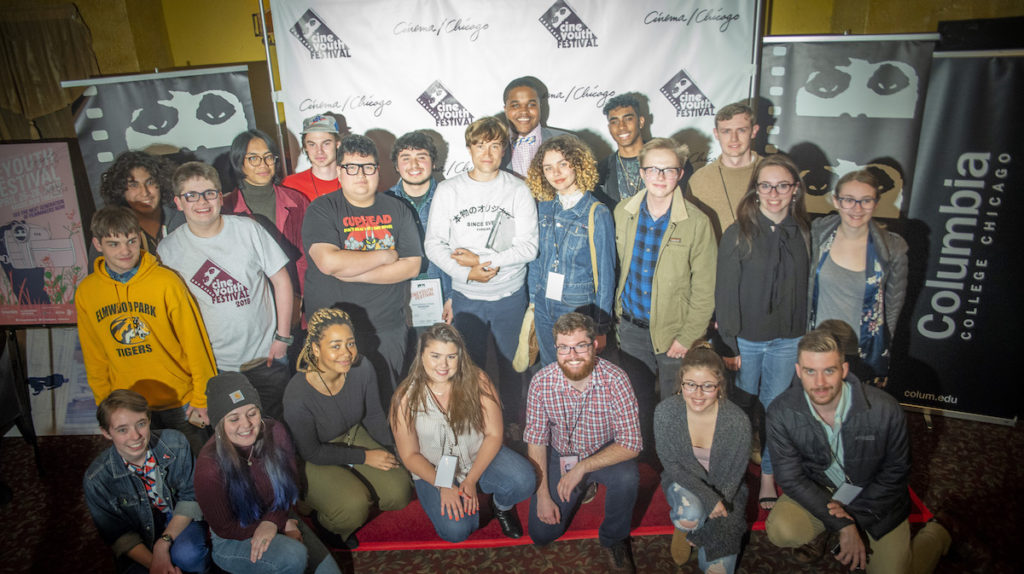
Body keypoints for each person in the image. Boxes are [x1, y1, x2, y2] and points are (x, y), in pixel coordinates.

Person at [765, 330, 951, 574]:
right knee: (781, 529)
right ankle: (829, 528)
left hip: (876, 501)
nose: (819, 383)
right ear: (799, 372)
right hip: (822, 490)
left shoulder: (884, 409)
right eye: (810, 371)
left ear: (843, 370)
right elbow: (790, 477)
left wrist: (852, 521)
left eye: (828, 370)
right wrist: (843, 524)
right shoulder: (781, 411)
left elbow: (895, 473)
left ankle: (938, 534)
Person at [424, 116, 538, 428]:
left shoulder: (518, 190)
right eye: (479, 145)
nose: (487, 153)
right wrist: (465, 274)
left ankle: (514, 426)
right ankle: (473, 426)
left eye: (495, 145)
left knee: (514, 369)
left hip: (509, 297)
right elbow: (433, 244)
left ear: (505, 150)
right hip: (467, 298)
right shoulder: (449, 190)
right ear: (470, 148)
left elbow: (529, 248)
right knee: (467, 370)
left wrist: (481, 260)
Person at [158, 161, 294, 421]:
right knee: (229, 436)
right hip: (214, 365)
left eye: (209, 193)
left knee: (275, 427)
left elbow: (281, 280)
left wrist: (283, 338)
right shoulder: (169, 249)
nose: (202, 202)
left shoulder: (249, 229)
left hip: (265, 357)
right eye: (191, 196)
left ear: (220, 197)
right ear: (178, 202)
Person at [76, 206, 216, 454]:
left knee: (202, 467)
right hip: (128, 405)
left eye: (131, 241)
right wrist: (104, 406)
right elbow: (94, 355)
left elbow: (196, 343)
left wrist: (201, 399)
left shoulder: (166, 281)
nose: (125, 251)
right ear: (98, 244)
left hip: (179, 402)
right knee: (149, 473)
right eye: (114, 244)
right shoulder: (87, 292)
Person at [715, 153, 810, 509]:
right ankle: (732, 472)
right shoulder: (737, 233)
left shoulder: (803, 231)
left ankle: (768, 475)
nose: (773, 193)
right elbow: (724, 295)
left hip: (788, 340)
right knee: (739, 410)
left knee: (775, 411)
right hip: (746, 342)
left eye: (782, 185)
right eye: (765, 185)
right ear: (755, 189)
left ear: (795, 190)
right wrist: (729, 344)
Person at [303, 134, 423, 400]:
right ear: (339, 171)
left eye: (368, 167)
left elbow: (411, 266)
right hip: (334, 335)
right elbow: (328, 262)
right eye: (351, 167)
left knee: (388, 401)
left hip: (387, 329)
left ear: (377, 170)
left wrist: (350, 271)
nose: (361, 175)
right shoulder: (322, 209)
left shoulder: (398, 209)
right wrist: (384, 255)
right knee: (338, 405)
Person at [390, 323, 535, 542]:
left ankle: (500, 507)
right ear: (421, 355)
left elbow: (494, 434)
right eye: (435, 356)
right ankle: (470, 506)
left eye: (451, 356)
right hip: (436, 468)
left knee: (524, 481)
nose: (443, 365)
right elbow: (410, 456)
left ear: (460, 356)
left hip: (477, 456)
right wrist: (444, 484)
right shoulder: (404, 398)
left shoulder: (478, 380)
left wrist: (471, 479)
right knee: (457, 531)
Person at [282, 308, 412, 548]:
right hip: (312, 456)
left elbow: (373, 415)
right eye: (336, 346)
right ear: (316, 349)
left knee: (400, 490)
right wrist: (365, 457)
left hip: (351, 434)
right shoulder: (297, 395)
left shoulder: (362, 367)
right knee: (354, 506)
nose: (346, 353)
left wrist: (393, 450)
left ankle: (351, 483)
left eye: (350, 343)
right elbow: (311, 452)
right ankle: (325, 523)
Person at [524, 313, 642, 573]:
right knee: (542, 534)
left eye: (581, 345)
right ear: (555, 348)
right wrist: (543, 495)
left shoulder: (617, 379)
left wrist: (582, 468)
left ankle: (614, 539)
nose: (573, 355)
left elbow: (632, 444)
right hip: (559, 455)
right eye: (564, 347)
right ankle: (582, 487)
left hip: (601, 452)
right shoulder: (540, 383)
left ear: (595, 345)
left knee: (628, 477)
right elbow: (536, 442)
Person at [614, 138, 717, 434]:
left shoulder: (697, 223)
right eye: (653, 169)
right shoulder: (623, 212)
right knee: (637, 403)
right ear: (642, 172)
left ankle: (674, 467)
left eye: (669, 170)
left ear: (680, 174)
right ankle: (645, 462)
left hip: (675, 333)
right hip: (632, 330)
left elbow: (704, 289)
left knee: (675, 406)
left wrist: (687, 336)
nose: (660, 177)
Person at [195, 373, 341, 574]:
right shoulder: (209, 467)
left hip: (278, 514)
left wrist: (277, 521)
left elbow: (290, 487)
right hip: (235, 538)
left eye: (252, 413)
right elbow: (225, 528)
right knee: (293, 556)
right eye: (234, 418)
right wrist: (274, 527)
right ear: (219, 424)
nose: (246, 425)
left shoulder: (276, 431)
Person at [84, 390, 210, 574]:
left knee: (189, 555)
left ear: (149, 420)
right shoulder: (96, 479)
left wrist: (162, 545)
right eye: (122, 430)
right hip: (138, 536)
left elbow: (191, 496)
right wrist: (156, 564)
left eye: (141, 424)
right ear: (106, 432)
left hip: (176, 517)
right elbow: (117, 534)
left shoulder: (176, 442)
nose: (135, 436)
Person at [654, 342, 751, 572]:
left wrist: (715, 507)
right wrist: (707, 499)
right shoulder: (665, 412)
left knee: (718, 564)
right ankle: (688, 526)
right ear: (681, 383)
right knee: (689, 514)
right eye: (691, 385)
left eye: (707, 386)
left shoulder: (737, 421)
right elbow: (672, 466)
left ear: (720, 386)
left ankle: (697, 530)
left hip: (727, 492)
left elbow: (733, 480)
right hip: (683, 482)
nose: (698, 394)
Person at [808, 169, 909, 386]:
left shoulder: (893, 248)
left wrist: (884, 349)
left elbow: (892, 308)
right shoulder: (816, 235)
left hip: (861, 352)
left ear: (876, 202)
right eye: (848, 200)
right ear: (836, 201)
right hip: (816, 346)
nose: (857, 208)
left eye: (866, 201)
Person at [525, 135, 615, 367]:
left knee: (578, 368)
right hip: (544, 304)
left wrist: (602, 326)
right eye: (548, 167)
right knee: (548, 367)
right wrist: (534, 301)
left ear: (578, 164)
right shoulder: (544, 207)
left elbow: (606, 274)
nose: (556, 172)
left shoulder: (597, 212)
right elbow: (536, 259)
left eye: (563, 163)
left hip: (578, 306)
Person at [223, 129, 309, 297]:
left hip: (298, 298)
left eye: (268, 157)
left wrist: (299, 297)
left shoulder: (297, 201)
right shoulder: (226, 209)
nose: (263, 164)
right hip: (251, 301)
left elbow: (308, 256)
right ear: (239, 162)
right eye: (253, 158)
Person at [386, 131, 452, 328]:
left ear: (433, 162)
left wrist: (454, 297)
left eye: (421, 157)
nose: (414, 165)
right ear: (397, 166)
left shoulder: (452, 198)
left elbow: (461, 252)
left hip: (444, 298)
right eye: (406, 158)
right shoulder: (383, 204)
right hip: (397, 301)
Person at [687, 101, 762, 242]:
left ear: (754, 131)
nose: (734, 139)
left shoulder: (774, 174)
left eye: (741, 130)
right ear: (716, 134)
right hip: (716, 261)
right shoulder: (699, 180)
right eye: (726, 131)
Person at [98, 150, 184, 254]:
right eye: (134, 185)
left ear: (161, 183)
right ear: (120, 190)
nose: (144, 192)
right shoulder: (110, 228)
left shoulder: (184, 218)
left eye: (150, 182)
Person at [501, 76, 571, 177]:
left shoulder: (568, 142)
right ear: (506, 109)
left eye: (531, 104)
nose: (524, 111)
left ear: (540, 106)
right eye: (515, 105)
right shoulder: (491, 147)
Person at [598, 94, 646, 205]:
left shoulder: (666, 160)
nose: (621, 127)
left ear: (641, 122)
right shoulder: (602, 170)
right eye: (614, 122)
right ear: (609, 128)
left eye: (628, 119)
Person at [281, 114, 343, 201]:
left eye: (326, 143)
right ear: (305, 146)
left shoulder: (353, 181)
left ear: (337, 144)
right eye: (312, 144)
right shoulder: (290, 185)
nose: (319, 151)